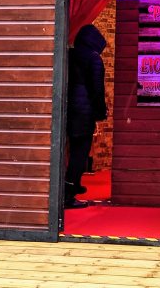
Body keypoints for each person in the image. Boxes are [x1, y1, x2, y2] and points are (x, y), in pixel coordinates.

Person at [65, 24, 109, 209]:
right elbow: (97, 90)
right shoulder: (94, 59)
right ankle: (68, 195)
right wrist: (100, 112)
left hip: (69, 110)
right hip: (84, 112)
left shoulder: (70, 56)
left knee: (70, 152)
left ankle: (72, 187)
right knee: (80, 154)